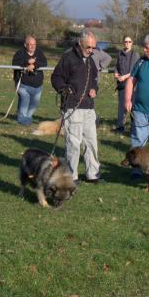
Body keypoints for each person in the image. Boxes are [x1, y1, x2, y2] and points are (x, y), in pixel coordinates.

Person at [51, 30, 102, 185]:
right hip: (72, 107)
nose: (91, 50)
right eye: (89, 47)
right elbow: (56, 77)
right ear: (80, 43)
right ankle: (71, 175)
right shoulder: (68, 58)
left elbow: (94, 79)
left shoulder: (90, 60)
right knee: (73, 143)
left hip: (89, 108)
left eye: (94, 48)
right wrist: (63, 89)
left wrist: (94, 89)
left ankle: (93, 174)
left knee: (91, 142)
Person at [12, 35, 48, 126]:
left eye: (34, 44)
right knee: (25, 100)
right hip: (23, 84)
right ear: (25, 45)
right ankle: (23, 121)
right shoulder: (20, 53)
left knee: (34, 104)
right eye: (30, 44)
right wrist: (27, 63)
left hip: (37, 85)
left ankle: (27, 118)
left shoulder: (39, 52)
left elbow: (45, 63)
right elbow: (15, 63)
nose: (32, 46)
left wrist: (34, 65)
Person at [113, 36, 140, 132]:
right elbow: (116, 66)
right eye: (125, 41)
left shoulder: (135, 54)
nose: (127, 43)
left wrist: (124, 77)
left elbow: (135, 70)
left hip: (132, 83)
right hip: (121, 84)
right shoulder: (120, 53)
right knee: (121, 106)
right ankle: (120, 126)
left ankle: (135, 127)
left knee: (132, 106)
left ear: (132, 43)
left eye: (129, 41)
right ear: (123, 43)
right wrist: (116, 73)